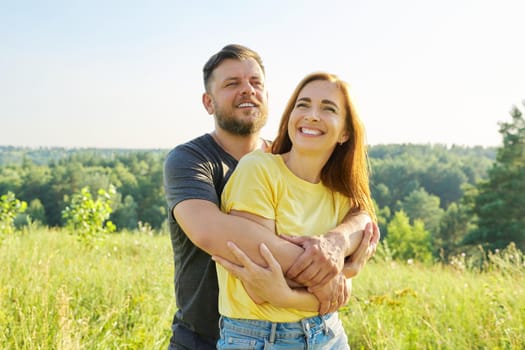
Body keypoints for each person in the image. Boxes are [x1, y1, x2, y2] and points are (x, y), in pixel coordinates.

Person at [163, 44, 379, 350]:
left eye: (256, 83)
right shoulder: (191, 160)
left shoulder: (291, 159)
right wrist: (328, 275)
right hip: (206, 336)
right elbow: (210, 232)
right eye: (232, 84)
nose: (247, 90)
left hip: (307, 327)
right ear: (208, 103)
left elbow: (360, 215)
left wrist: (337, 242)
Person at [212, 72, 375, 349]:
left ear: (345, 132)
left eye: (328, 108)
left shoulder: (340, 192)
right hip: (259, 338)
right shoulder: (259, 170)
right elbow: (258, 285)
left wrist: (336, 248)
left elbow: (366, 224)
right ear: (290, 118)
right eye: (303, 105)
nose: (312, 115)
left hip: (329, 333)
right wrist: (341, 275)